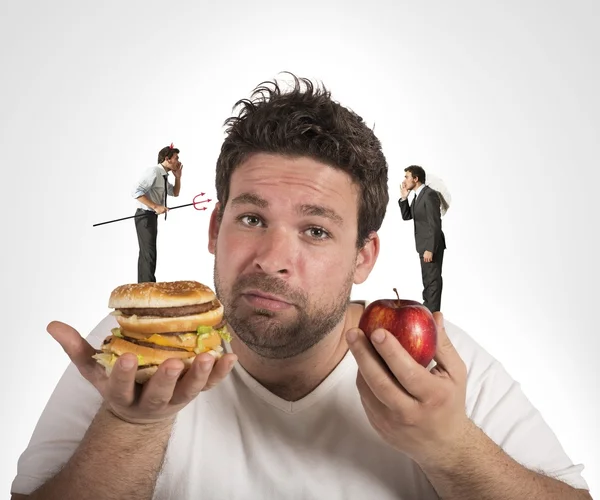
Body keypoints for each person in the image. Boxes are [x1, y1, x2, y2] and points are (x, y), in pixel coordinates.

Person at [11, 75, 592, 500]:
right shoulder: (137, 348)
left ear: (364, 258)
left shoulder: (432, 366)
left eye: (315, 230)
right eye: (252, 219)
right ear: (216, 229)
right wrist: (131, 425)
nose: (272, 259)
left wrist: (451, 447)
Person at [132, 144, 183, 283]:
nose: (178, 161)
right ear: (167, 159)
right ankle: (148, 288)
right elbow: (136, 192)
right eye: (176, 158)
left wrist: (178, 177)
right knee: (148, 254)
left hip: (151, 217)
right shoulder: (154, 172)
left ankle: (144, 287)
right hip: (144, 216)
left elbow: (175, 193)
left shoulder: (164, 175)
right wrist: (155, 206)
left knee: (148, 254)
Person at [399, 165, 446, 313]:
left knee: (432, 282)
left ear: (416, 178)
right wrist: (404, 198)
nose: (404, 180)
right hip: (423, 246)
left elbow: (435, 224)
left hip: (430, 246)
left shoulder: (429, 194)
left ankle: (432, 317)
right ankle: (428, 313)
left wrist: (430, 249)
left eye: (407, 177)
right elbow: (407, 216)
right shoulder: (418, 196)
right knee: (428, 281)